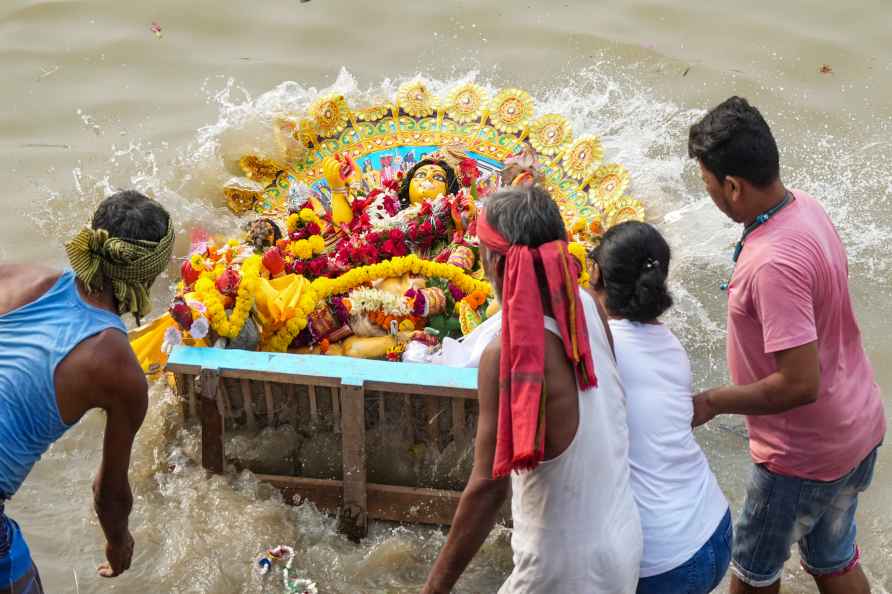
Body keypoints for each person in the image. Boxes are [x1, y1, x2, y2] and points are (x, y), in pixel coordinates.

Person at [688, 96, 885, 594]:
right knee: (832, 558)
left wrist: (713, 402)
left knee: (753, 575)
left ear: (732, 187)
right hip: (857, 427)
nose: (709, 193)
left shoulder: (771, 262)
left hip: (803, 456)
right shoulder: (804, 208)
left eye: (709, 185)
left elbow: (799, 383)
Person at [421, 186, 642, 594]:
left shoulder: (504, 353)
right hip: (623, 540)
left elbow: (488, 489)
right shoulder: (588, 305)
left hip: (560, 570)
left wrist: (433, 589)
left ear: (496, 263)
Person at [0, 190, 173, 592]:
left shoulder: (15, 278)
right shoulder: (118, 366)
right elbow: (108, 493)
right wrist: (119, 544)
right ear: (147, 275)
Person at [590, 220, 731, 594]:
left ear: (596, 273)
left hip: (665, 560)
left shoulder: (600, 350)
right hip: (715, 526)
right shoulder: (668, 343)